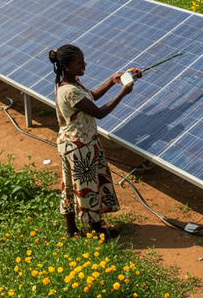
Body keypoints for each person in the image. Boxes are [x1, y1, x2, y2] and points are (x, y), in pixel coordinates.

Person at [53, 44, 140, 240]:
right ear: (66, 66)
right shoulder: (70, 91)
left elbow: (90, 97)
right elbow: (99, 113)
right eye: (79, 63)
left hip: (70, 143)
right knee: (88, 187)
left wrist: (111, 81)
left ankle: (71, 230)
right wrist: (123, 92)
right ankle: (98, 232)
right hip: (80, 147)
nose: (84, 65)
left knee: (70, 186)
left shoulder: (67, 83)